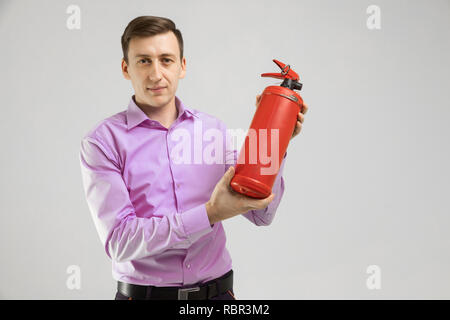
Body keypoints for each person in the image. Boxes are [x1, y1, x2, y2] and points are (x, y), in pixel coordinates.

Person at [79, 15, 308, 300]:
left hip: (218, 296)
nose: (156, 74)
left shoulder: (211, 130)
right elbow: (120, 242)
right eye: (143, 61)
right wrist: (210, 214)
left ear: (182, 66)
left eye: (166, 60)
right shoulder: (103, 143)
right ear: (126, 68)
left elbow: (262, 214)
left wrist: (275, 142)